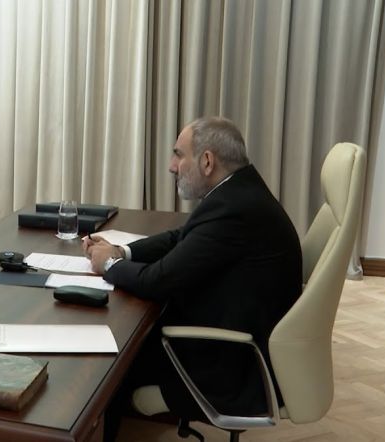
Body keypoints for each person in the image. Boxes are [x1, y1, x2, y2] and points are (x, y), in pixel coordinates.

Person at [84, 117, 302, 436]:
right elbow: (182, 237)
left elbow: (158, 281)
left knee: (109, 364)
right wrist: (122, 251)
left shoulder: (235, 209)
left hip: (229, 365)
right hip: (237, 335)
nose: (172, 166)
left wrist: (109, 265)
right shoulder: (239, 191)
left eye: (178, 154)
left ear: (207, 161)